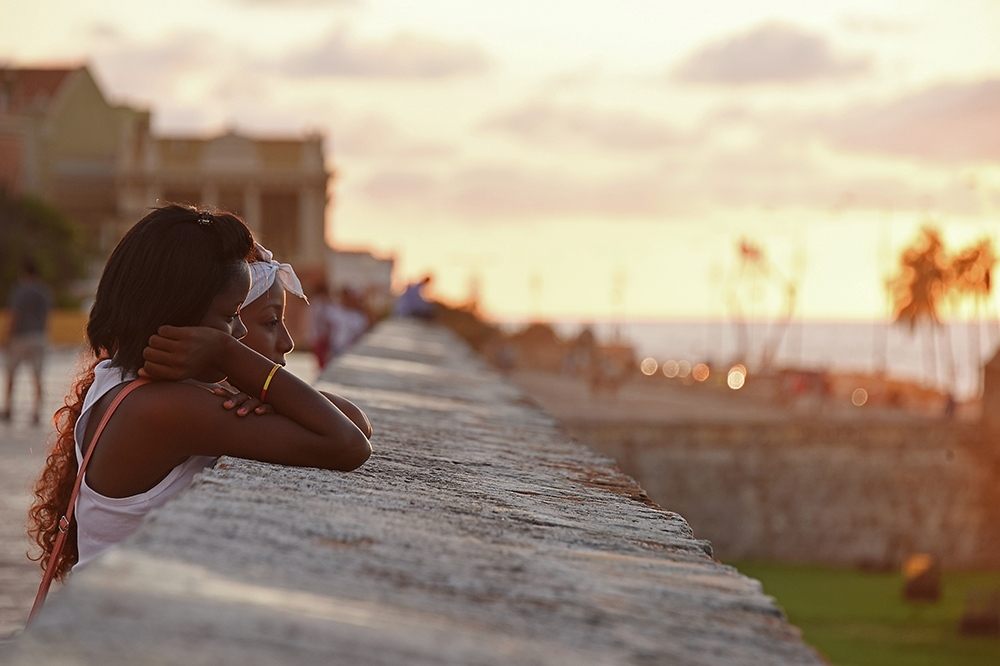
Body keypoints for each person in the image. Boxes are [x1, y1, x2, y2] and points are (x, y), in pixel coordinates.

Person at [28, 205, 371, 580]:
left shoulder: (125, 383)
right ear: (179, 316)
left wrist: (250, 382)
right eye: (229, 317)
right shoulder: (164, 408)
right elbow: (347, 442)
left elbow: (355, 422)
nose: (239, 334)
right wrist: (229, 355)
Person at [208, 242, 372, 438]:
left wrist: (277, 399)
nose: (288, 343)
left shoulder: (231, 400)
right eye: (272, 322)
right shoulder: (211, 404)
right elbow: (351, 437)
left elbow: (358, 421)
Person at [2, 259, 52, 426]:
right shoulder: (44, 292)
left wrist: (8, 338)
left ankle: (8, 408)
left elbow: (15, 315)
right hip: (38, 337)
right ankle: (36, 412)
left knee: (11, 374)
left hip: (20, 337)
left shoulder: (20, 291)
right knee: (37, 377)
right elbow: (47, 317)